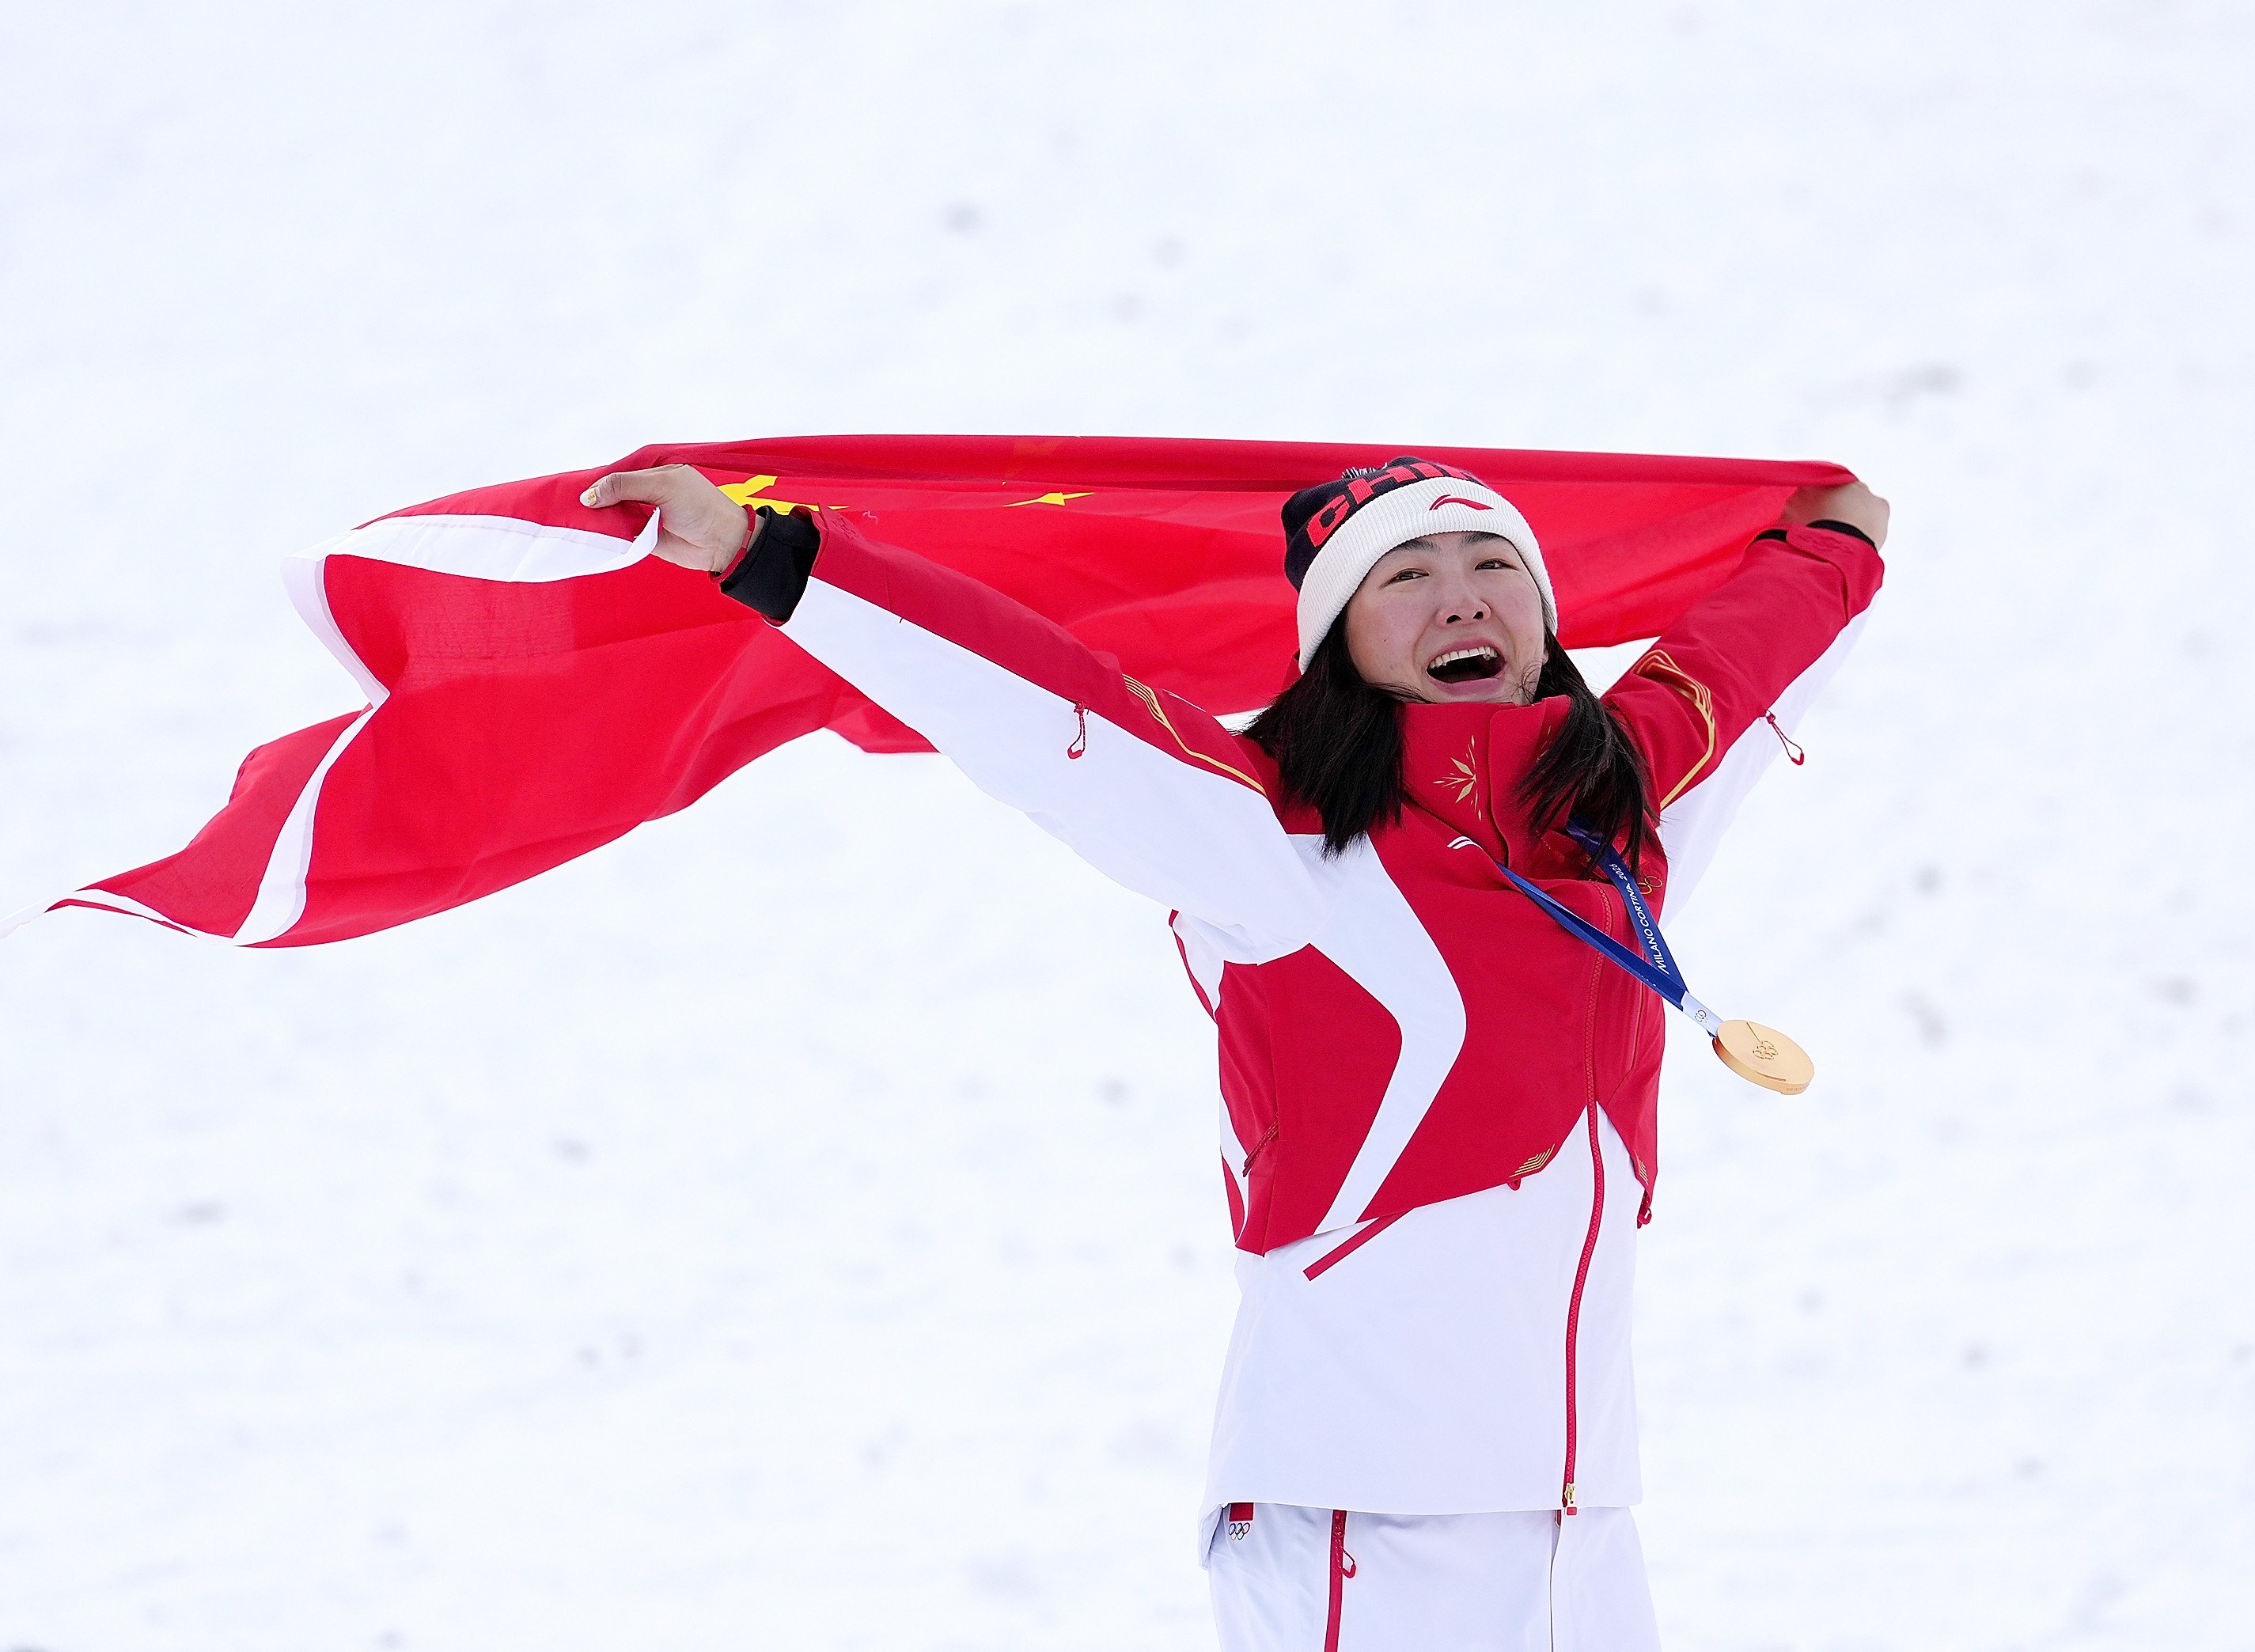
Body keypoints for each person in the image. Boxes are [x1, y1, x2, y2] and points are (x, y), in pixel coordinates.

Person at [580, 454, 1889, 1651]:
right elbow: (1041, 703)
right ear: (1337, 642)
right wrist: (763, 552)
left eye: (1495, 567)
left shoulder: (1623, 813)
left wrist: (1840, 548)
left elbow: (1749, 651)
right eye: (1406, 577)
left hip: (1582, 1522)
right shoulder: (1269, 839)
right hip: (1359, 1525)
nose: (1463, 601)